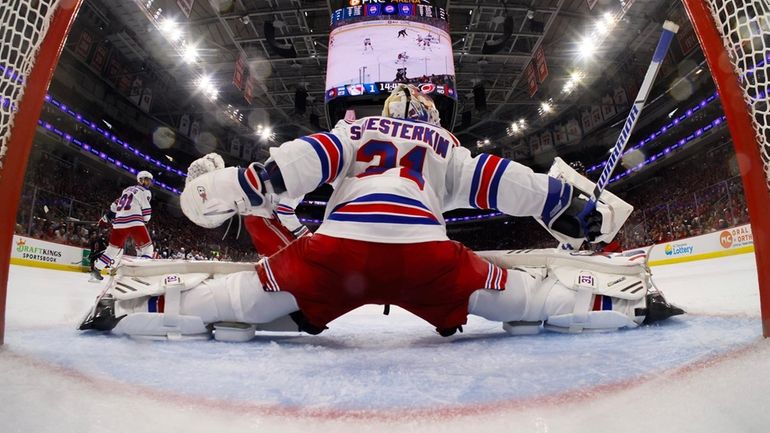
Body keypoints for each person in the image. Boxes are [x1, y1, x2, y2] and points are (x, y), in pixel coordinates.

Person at [79, 85, 683, 339]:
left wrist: (243, 183)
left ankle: (134, 307)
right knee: (525, 300)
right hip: (426, 254)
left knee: (236, 305)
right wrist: (567, 204)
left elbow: (306, 161)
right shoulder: (442, 145)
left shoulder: (354, 127)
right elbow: (501, 182)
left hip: (338, 252)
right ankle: (622, 301)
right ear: (429, 118)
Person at [90, 171, 154, 280]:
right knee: (148, 248)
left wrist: (105, 219)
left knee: (112, 249)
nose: (148, 183)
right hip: (134, 221)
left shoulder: (126, 190)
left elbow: (114, 207)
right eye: (146, 180)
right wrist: (145, 220)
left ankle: (97, 268)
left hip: (119, 223)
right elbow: (147, 212)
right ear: (140, 180)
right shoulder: (145, 191)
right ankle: (140, 273)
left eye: (149, 180)